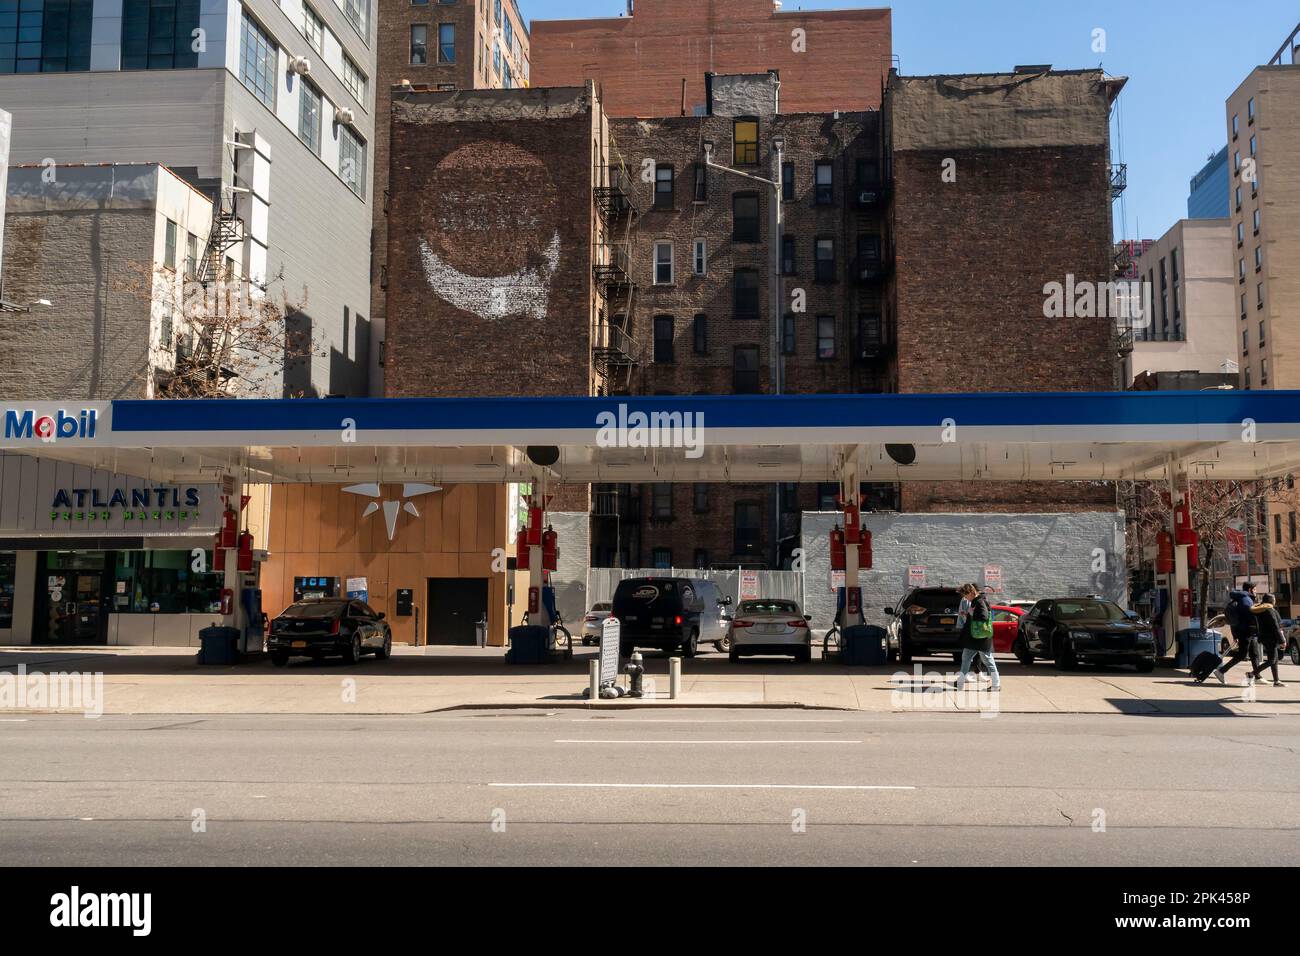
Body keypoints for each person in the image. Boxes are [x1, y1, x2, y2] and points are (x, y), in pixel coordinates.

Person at [954, 583, 1000, 692]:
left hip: (981, 638)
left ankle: (996, 685)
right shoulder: (976, 601)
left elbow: (983, 616)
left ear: (971, 592)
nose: (965, 598)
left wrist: (972, 613)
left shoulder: (980, 601)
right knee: (966, 658)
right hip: (975, 638)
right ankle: (960, 681)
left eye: (966, 596)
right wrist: (968, 614)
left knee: (988, 660)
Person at [1214, 582, 1259, 685]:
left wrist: (1235, 635)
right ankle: (1221, 671)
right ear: (1250, 590)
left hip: (1245, 631)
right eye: (1255, 589)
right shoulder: (1246, 600)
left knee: (1254, 653)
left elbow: (1234, 621)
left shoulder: (1240, 599)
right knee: (1242, 654)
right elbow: (1249, 617)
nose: (1256, 592)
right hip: (1245, 631)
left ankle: (1257, 676)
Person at [1248, 595, 1287, 688]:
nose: (1275, 601)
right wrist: (1282, 640)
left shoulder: (1260, 610)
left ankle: (1276, 681)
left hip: (1264, 637)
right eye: (1274, 599)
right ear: (1271, 601)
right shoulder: (1269, 610)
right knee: (1272, 660)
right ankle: (1251, 674)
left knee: (1274, 659)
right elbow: (1275, 626)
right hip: (1271, 638)